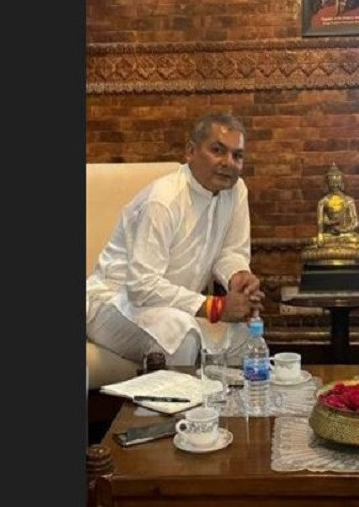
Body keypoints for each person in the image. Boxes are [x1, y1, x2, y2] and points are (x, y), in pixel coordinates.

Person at [86, 113, 266, 368]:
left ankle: (229, 398)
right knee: (180, 334)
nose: (229, 162)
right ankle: (175, 397)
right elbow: (142, 286)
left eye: (237, 155)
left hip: (173, 308)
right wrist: (214, 307)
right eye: (217, 151)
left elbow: (230, 252)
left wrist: (237, 276)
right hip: (112, 305)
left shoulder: (236, 191)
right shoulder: (162, 200)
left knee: (245, 336)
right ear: (191, 152)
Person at [315, 164, 359, 247]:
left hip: (346, 234)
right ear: (327, 184)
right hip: (330, 234)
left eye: (336, 183)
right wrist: (320, 234)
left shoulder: (349, 200)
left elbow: (355, 222)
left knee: (357, 240)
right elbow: (320, 221)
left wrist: (343, 230)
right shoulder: (323, 201)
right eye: (332, 183)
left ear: (341, 183)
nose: (334, 186)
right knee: (316, 241)